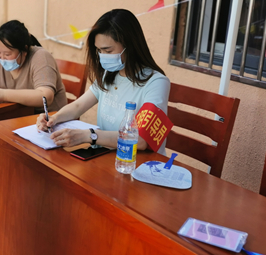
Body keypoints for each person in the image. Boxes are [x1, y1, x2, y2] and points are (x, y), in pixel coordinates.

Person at [37, 9, 170, 154]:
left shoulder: (156, 82)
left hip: (135, 162)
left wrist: (89, 135)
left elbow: (142, 139)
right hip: (105, 155)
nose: (102, 56)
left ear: (130, 46)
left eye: (108, 51)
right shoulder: (110, 74)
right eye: (99, 50)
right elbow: (78, 106)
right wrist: (54, 119)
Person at [0, 20, 67, 112]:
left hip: (49, 120)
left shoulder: (41, 57)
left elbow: (45, 97)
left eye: (7, 54)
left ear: (24, 50)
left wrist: (3, 95)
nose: (2, 58)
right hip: (17, 116)